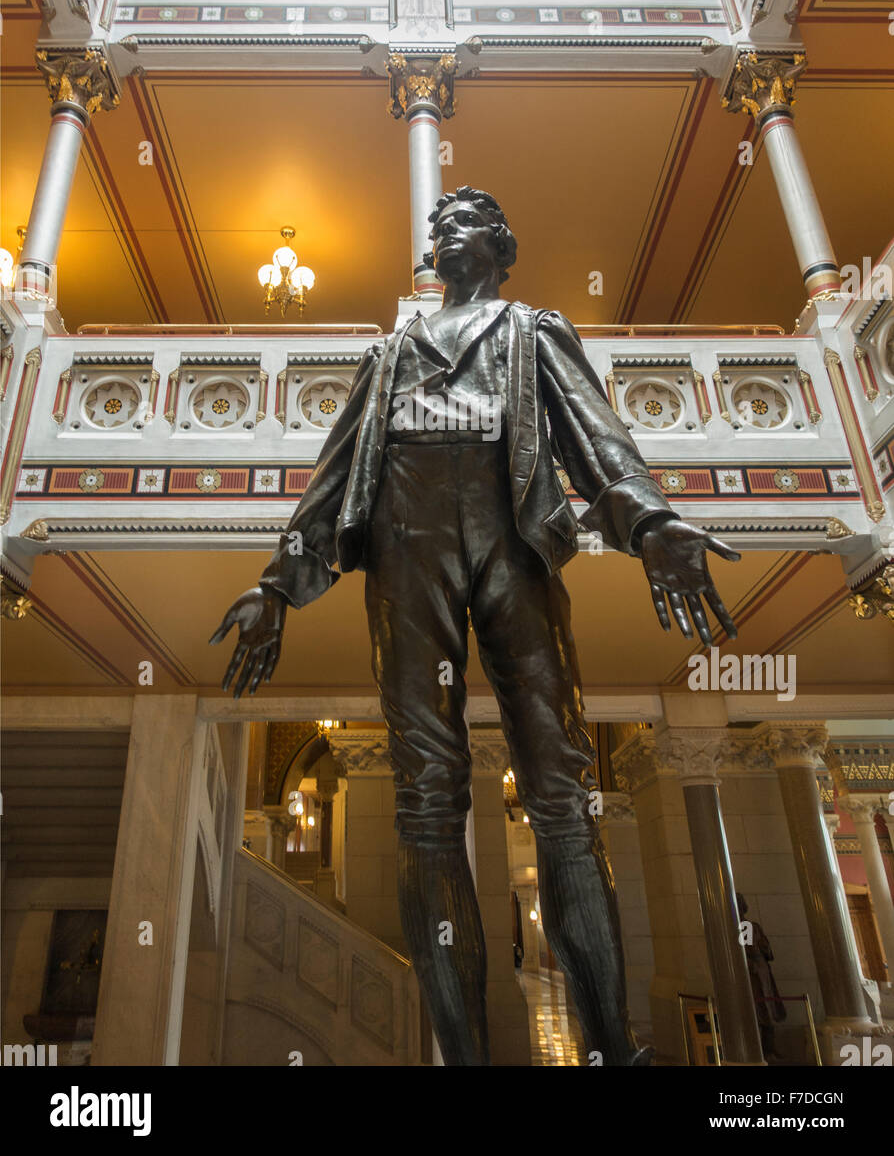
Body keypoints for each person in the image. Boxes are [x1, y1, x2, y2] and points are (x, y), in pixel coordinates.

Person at [212, 186, 740, 1066]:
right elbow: (337, 471)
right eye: (436, 226)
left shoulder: (532, 333)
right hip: (406, 546)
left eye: (462, 222)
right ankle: (461, 1055)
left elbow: (596, 437)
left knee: (562, 791)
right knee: (426, 799)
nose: (442, 233)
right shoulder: (387, 357)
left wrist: (652, 524)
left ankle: (611, 1044)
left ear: (501, 244)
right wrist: (277, 583)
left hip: (512, 541)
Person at [737, 892, 787, 1060]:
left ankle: (769, 1049)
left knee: (767, 1007)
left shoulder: (752, 926)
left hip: (761, 971)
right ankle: (761, 1049)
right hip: (753, 972)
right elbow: (748, 948)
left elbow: (765, 949)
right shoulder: (742, 927)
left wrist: (762, 951)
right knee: (759, 1010)